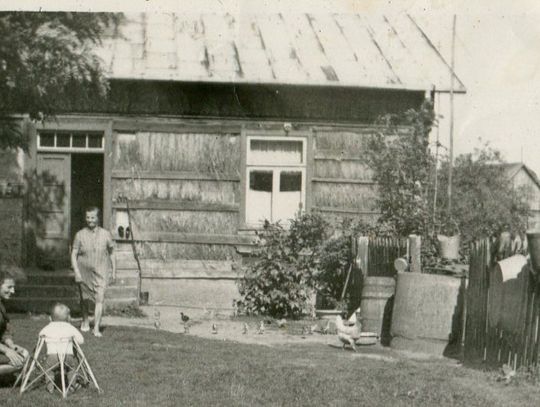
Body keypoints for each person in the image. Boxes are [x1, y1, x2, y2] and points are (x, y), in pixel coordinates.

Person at [71, 207, 116, 337]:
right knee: (84, 299)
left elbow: (112, 253)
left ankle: (96, 328)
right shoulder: (79, 235)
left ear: (98, 218)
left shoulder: (106, 234)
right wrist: (76, 271)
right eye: (88, 217)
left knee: (99, 298)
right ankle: (85, 320)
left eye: (93, 217)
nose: (90, 220)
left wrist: (114, 271)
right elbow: (73, 254)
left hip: (101, 270)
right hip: (83, 270)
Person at [40, 303, 84, 393]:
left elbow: (40, 335)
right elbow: (81, 340)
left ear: (50, 318)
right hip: (68, 356)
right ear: (68, 318)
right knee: (71, 369)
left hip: (52, 356)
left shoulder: (48, 327)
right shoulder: (70, 327)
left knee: (49, 370)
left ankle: (50, 387)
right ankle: (72, 386)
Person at [0, 271, 29, 376]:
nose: (13, 291)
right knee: (20, 361)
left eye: (13, 287)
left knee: (24, 354)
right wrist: (6, 351)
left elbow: (5, 330)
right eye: (9, 287)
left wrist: (11, 345)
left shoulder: (2, 305)